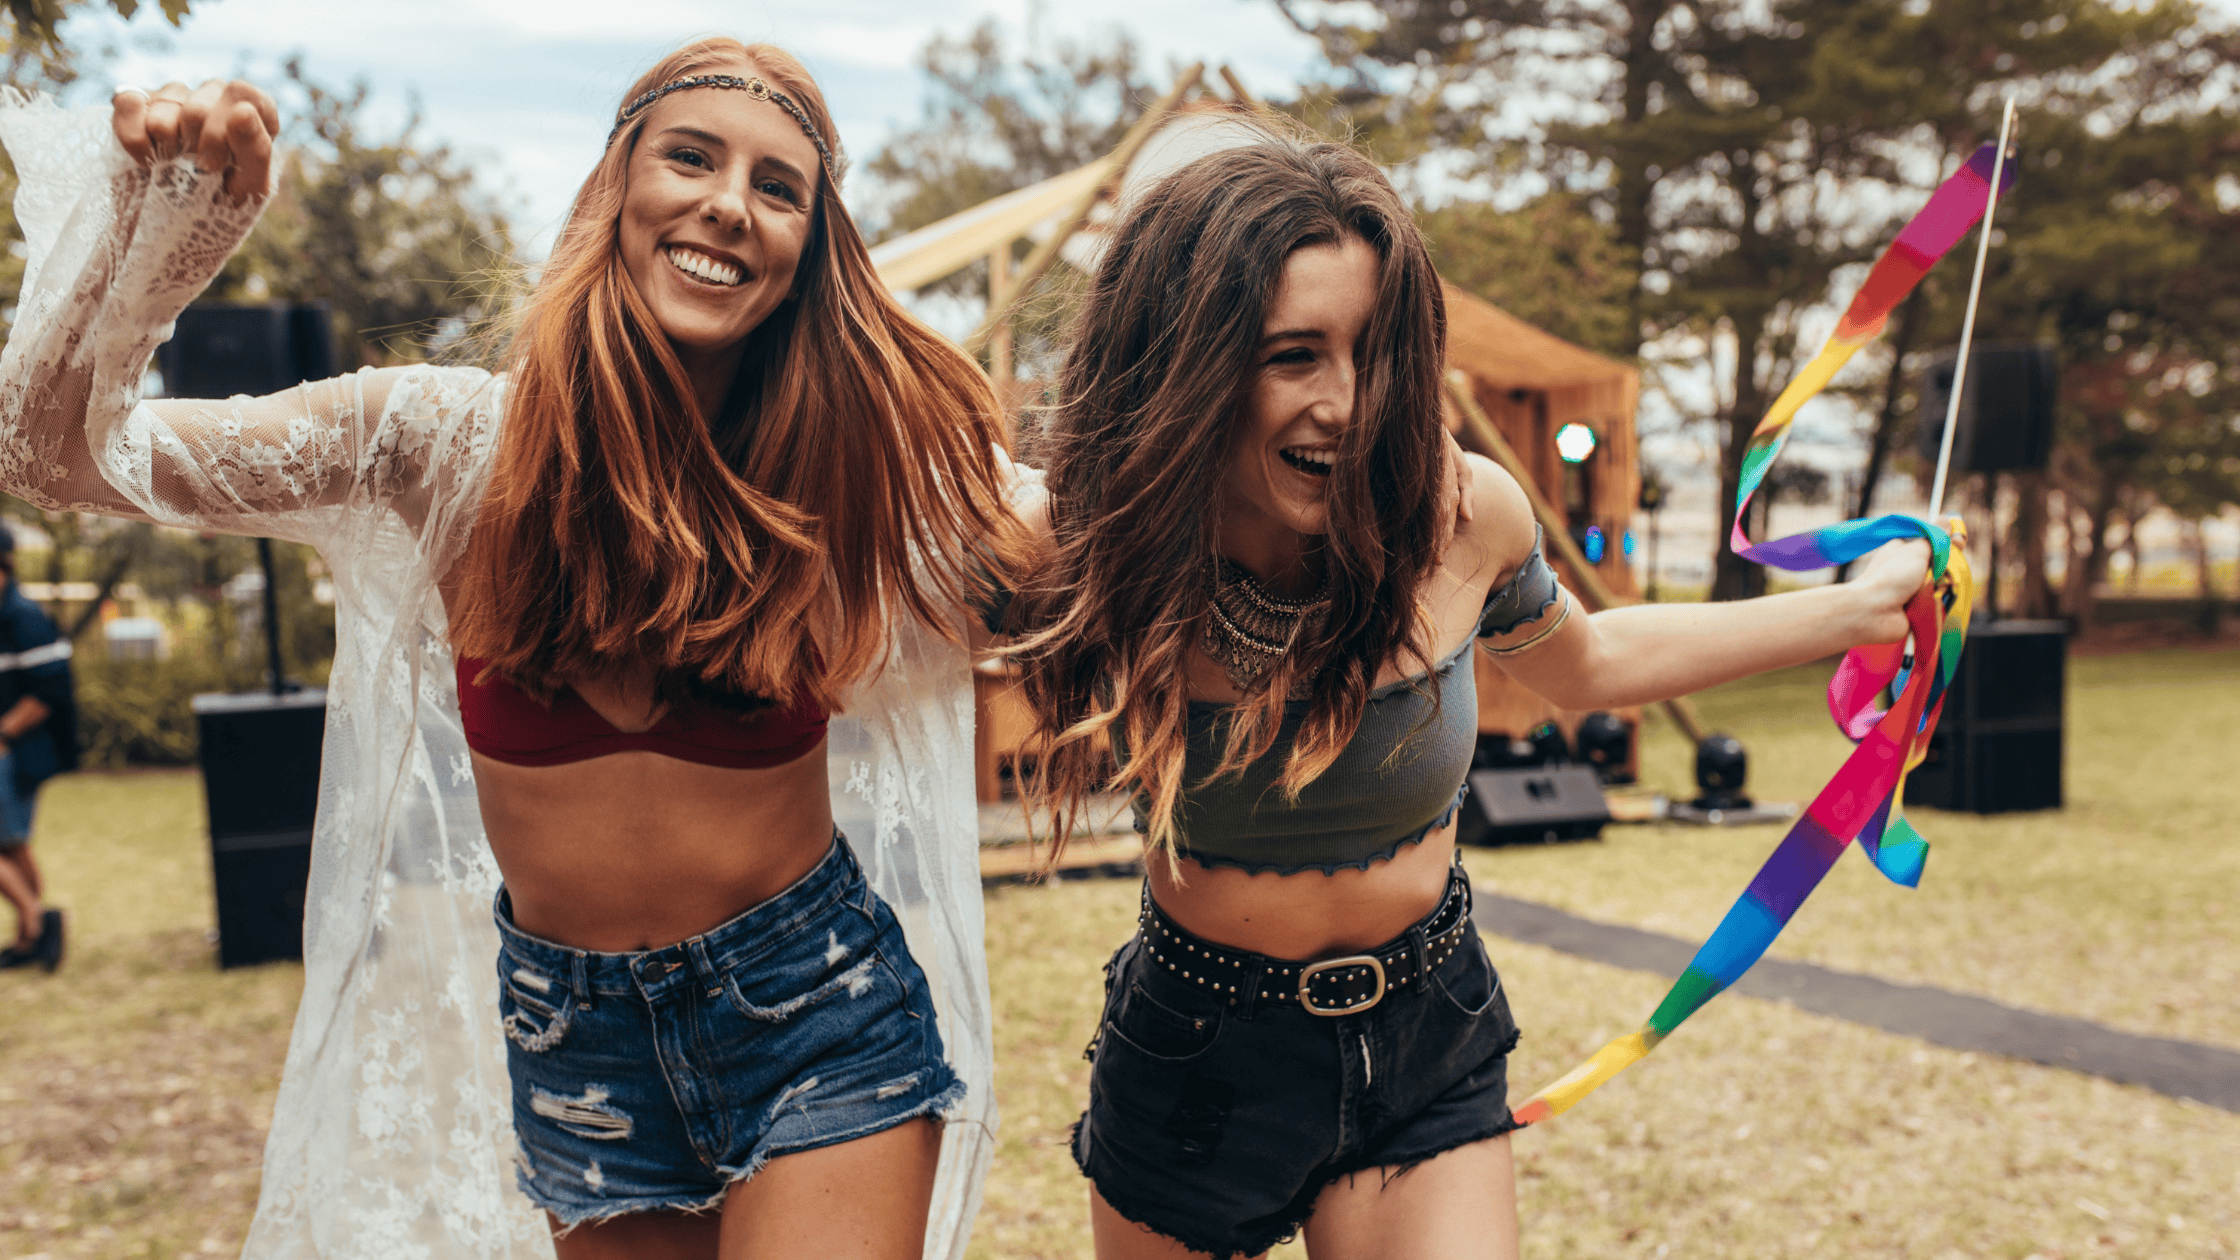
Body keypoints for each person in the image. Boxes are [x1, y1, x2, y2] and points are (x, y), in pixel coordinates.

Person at [0, 37, 1017, 1259]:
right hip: (576, 1044)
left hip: (813, 1008)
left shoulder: (848, 468)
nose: (726, 205)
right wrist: (155, 244)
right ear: (615, 190)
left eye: (777, 185)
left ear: (810, 252)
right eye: (689, 157)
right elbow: (49, 458)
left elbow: (1104, 537)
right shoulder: (438, 447)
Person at [999, 127, 1932, 1260]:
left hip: (1425, 1032)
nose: (1344, 404)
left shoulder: (1458, 514)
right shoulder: (1083, 537)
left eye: (1370, 353)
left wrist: (1848, 611)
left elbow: (1591, 665)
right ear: (1192, 362)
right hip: (1198, 1061)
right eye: (1293, 355)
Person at [0, 522, 76, 973]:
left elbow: (51, 691)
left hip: (17, 754)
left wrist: (4, 733)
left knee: (9, 844)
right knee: (12, 846)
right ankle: (35, 935)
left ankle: (36, 918)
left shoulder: (23, 617)